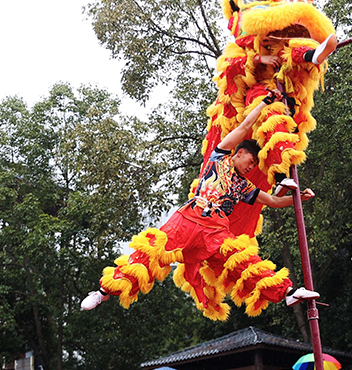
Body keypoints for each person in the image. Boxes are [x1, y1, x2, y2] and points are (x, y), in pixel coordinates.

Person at [83, 95, 319, 319]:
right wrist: (266, 102)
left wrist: (299, 199)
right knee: (151, 251)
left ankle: (287, 293)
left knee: (241, 262)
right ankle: (103, 292)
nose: (252, 167)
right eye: (251, 160)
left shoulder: (244, 187)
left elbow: (275, 201)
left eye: (256, 165)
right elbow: (246, 124)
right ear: (240, 153)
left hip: (215, 232)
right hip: (188, 220)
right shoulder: (220, 158)